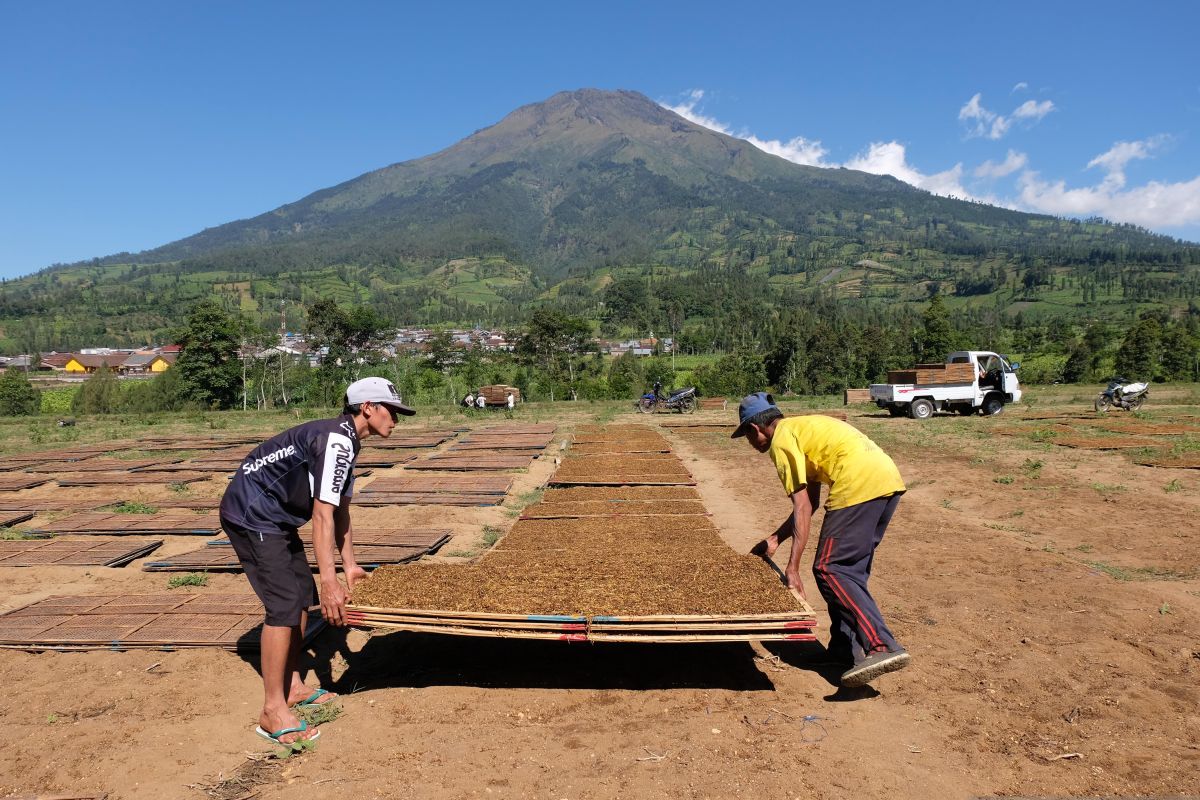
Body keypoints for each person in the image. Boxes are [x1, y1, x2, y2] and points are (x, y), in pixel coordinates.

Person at [219, 377, 414, 744]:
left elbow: (340, 510)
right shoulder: (337, 439)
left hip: (277, 516)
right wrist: (330, 581)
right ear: (367, 408)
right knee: (283, 605)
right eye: (393, 411)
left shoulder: (347, 443)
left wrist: (349, 565)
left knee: (301, 595)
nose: (397, 419)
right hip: (251, 514)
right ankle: (272, 711)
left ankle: (293, 686)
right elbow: (322, 516)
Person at [732, 392, 910, 688]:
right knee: (849, 573)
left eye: (748, 438)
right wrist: (776, 539)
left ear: (755, 429)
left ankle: (882, 646)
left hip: (858, 484)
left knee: (831, 568)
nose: (752, 445)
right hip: (886, 479)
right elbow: (810, 503)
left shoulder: (781, 442)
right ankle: (844, 650)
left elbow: (801, 507)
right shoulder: (801, 429)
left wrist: (792, 569)